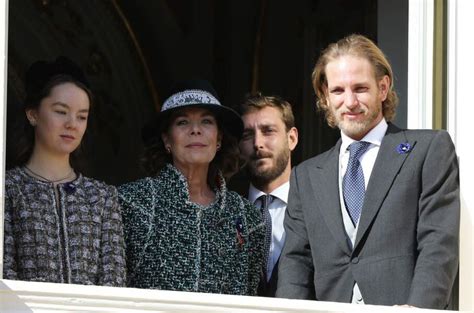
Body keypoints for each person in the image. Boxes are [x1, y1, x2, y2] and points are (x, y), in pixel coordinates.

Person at [276, 34, 459, 309]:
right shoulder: (306, 176)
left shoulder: (429, 149)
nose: (349, 102)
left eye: (360, 88)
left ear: (383, 88)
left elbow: (438, 244)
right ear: (325, 96)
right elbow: (296, 263)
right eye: (338, 90)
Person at [118, 79, 265, 295]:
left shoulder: (246, 217)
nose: (195, 130)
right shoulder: (131, 203)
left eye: (206, 121)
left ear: (219, 139)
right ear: (167, 139)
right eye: (182, 122)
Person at [3, 56, 126, 286]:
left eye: (82, 116)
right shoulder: (8, 189)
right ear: (33, 114)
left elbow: (114, 282)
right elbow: (6, 278)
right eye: (61, 111)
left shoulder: (101, 196)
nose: (72, 123)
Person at [238, 93, 298, 297]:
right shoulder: (226, 207)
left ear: (292, 138)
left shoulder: (318, 205)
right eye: (247, 135)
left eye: (268, 131)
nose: (257, 143)